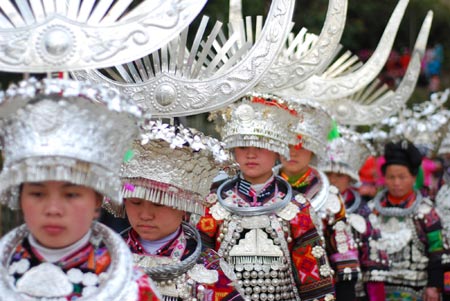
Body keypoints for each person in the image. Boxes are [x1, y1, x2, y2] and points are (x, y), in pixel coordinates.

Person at [0, 78, 161, 300]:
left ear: (97, 198)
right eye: (37, 193)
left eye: (71, 194)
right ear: (20, 197)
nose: (53, 209)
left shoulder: (134, 290)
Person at [197, 94, 336, 301]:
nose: (250, 155)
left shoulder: (297, 208)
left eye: (260, 147)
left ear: (278, 151)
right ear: (234, 150)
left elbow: (314, 281)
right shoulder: (212, 204)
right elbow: (201, 266)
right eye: (243, 147)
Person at [105, 121, 244, 301]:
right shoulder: (105, 257)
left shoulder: (208, 266)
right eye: (135, 202)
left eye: (159, 204)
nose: (145, 215)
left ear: (183, 206)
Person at [278, 99, 360, 300]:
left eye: (301, 145)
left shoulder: (329, 197)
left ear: (313, 150)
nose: (293, 151)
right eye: (287, 144)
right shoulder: (260, 191)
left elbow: (342, 250)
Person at [369, 140, 448, 301]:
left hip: (418, 289)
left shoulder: (426, 212)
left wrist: (434, 286)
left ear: (413, 177)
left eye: (402, 177)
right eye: (391, 177)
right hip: (378, 289)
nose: (396, 183)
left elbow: (436, 251)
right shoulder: (371, 210)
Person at [319, 130, 389, 301]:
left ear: (350, 179)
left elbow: (373, 260)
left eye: (339, 175)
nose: (333, 180)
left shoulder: (362, 211)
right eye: (328, 174)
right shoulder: (310, 205)